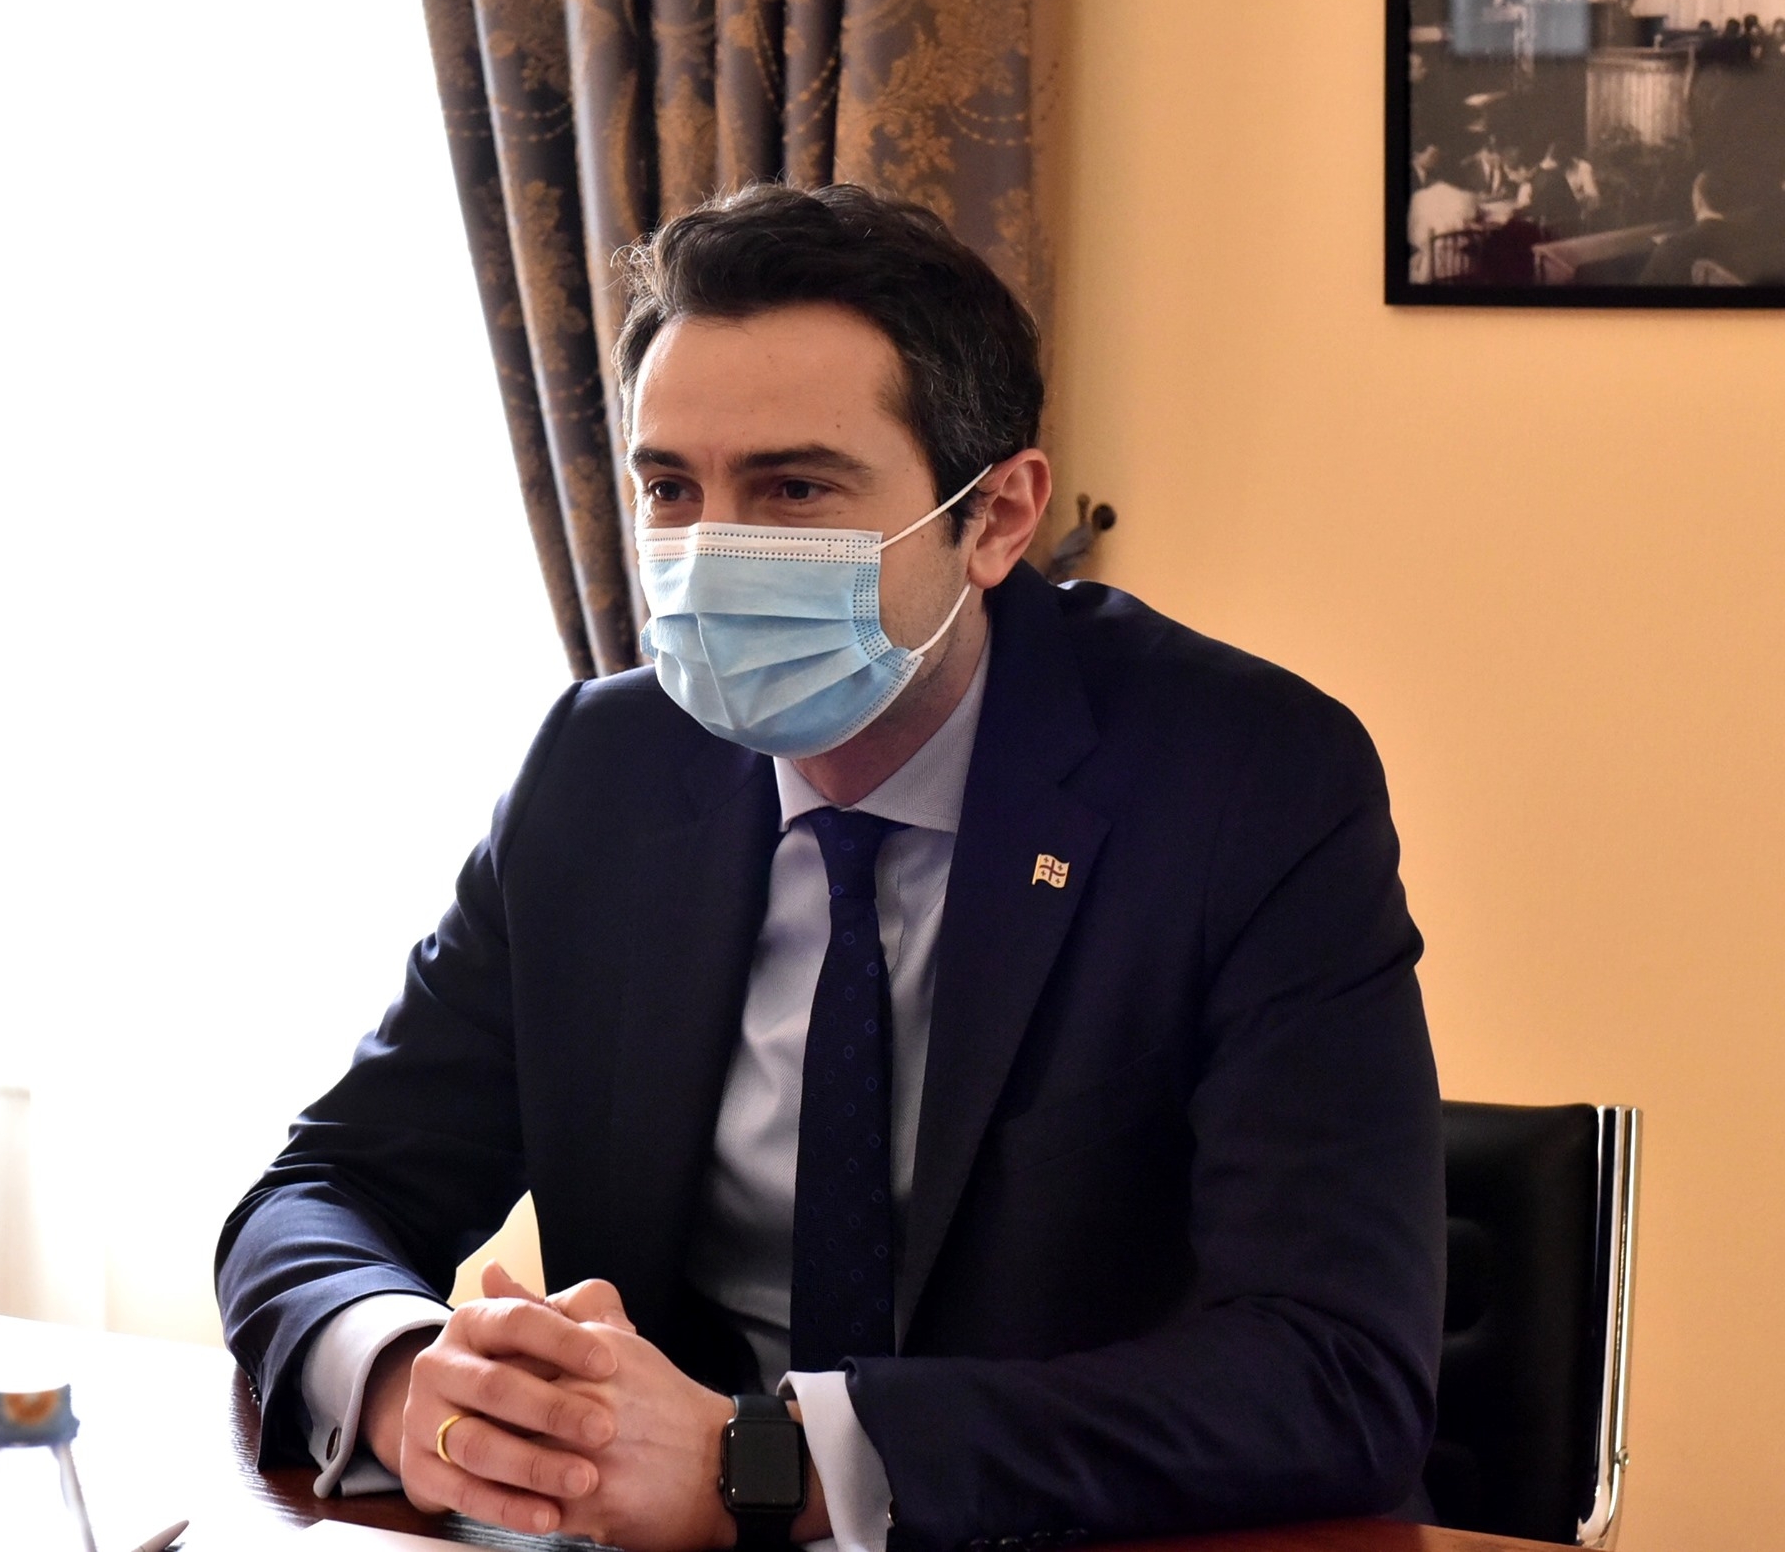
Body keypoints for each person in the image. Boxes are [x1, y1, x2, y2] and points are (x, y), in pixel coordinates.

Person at [216, 183, 1444, 1552]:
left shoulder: (1246, 781)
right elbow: (322, 1192)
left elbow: (1338, 1374)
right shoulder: (603, 772)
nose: (711, 554)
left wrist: (771, 1465)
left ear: (997, 517)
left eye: (794, 489)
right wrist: (403, 1378)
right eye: (671, 489)